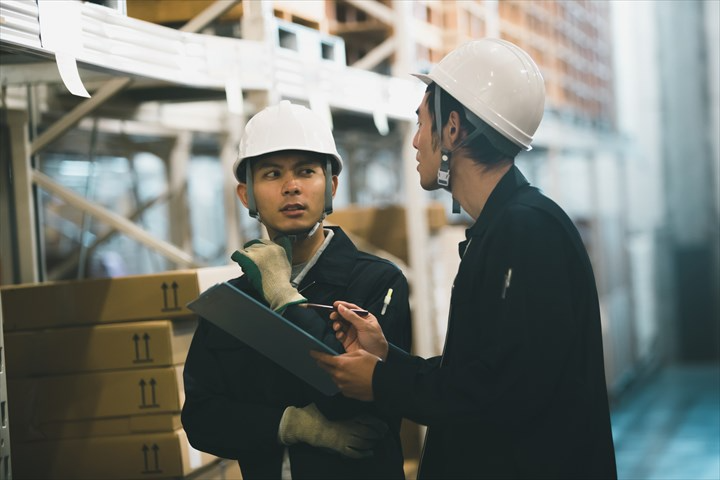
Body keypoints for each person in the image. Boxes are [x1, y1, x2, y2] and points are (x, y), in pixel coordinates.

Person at [312, 38, 618, 479]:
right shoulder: (506, 227)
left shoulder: (526, 232)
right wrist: (387, 357)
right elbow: (486, 372)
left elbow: (501, 396)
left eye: (421, 122)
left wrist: (382, 383)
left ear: (452, 128)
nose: (416, 141)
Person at [182, 101, 412, 479]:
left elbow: (358, 406)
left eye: (306, 171)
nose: (291, 187)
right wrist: (290, 425)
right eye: (272, 174)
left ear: (331, 186)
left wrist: (284, 297)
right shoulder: (233, 301)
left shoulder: (378, 283)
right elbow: (202, 419)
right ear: (247, 196)